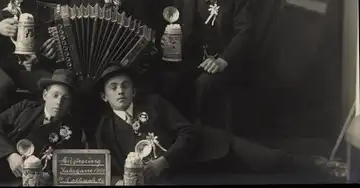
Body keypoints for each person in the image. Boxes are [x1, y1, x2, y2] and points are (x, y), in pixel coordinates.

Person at [94, 63, 337, 185]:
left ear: (134, 90)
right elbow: (110, 171)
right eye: (113, 88)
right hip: (185, 176)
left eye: (125, 85)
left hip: (213, 148)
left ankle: (324, 166)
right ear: (105, 97)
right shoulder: (106, 129)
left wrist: (163, 162)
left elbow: (188, 131)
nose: (120, 91)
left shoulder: (154, 103)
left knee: (271, 160)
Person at [168, 0, 252, 126]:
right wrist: (170, 43)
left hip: (224, 62)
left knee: (205, 84)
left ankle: (208, 140)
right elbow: (177, 33)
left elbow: (245, 30)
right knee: (169, 80)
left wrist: (223, 60)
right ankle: (180, 139)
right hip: (191, 61)